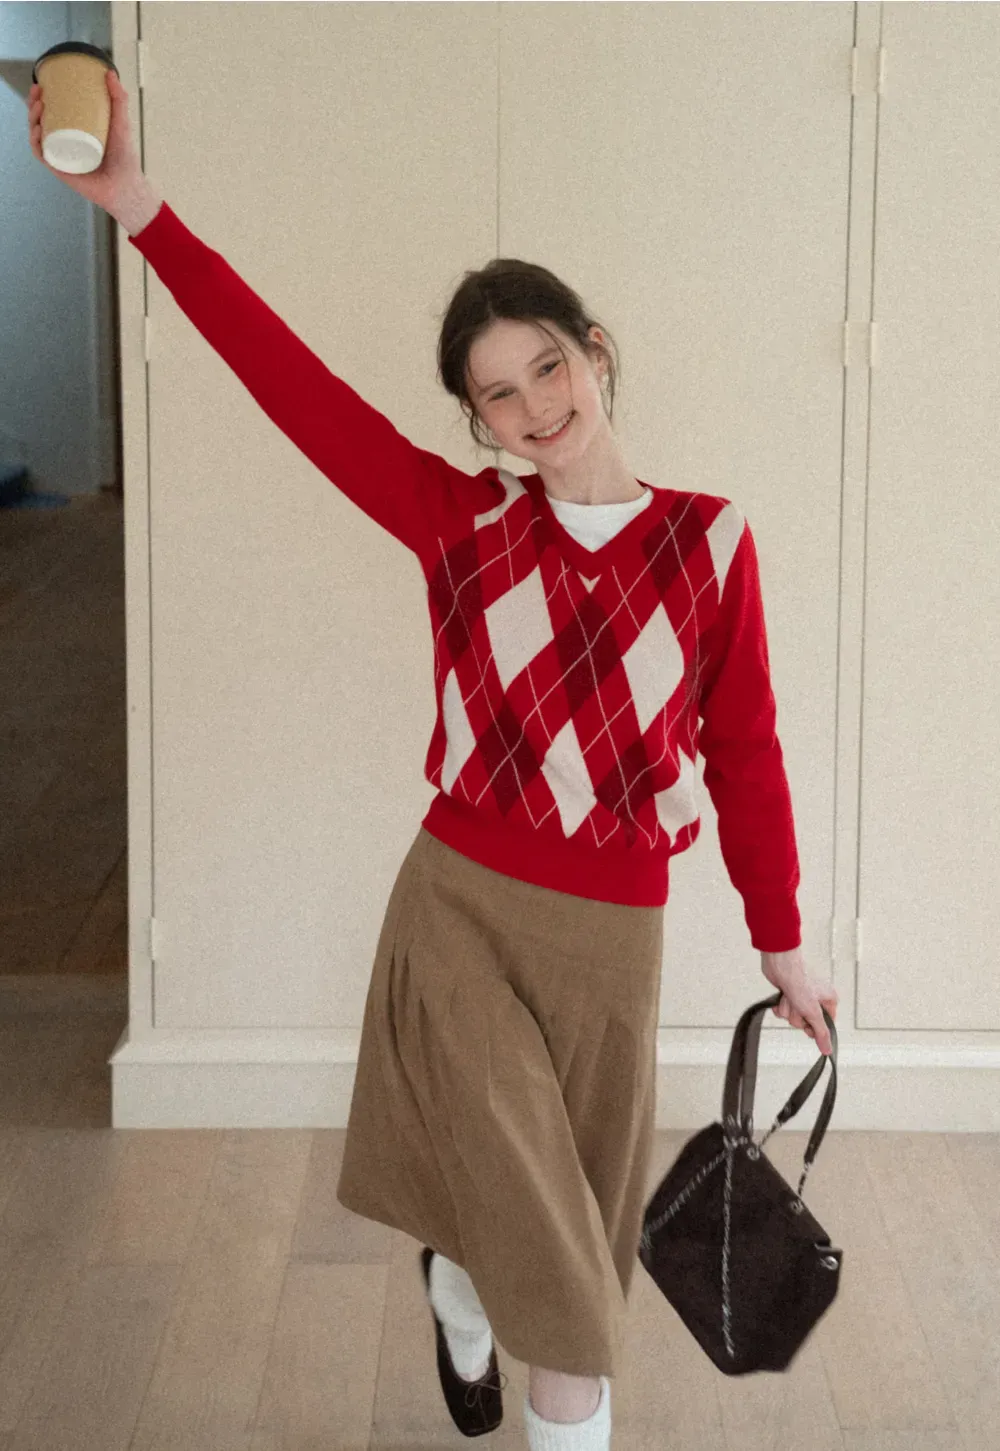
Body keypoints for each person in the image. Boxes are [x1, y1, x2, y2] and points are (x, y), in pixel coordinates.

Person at [29, 68, 838, 1450]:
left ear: (595, 350)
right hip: (458, 915)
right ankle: (503, 1328)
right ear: (476, 423)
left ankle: (457, 1285)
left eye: (547, 366)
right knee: (580, 1295)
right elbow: (288, 381)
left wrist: (786, 940)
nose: (532, 406)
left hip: (614, 946)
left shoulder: (711, 543)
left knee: (540, 1216)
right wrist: (141, 211)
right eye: (496, 394)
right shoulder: (461, 526)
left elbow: (746, 749)